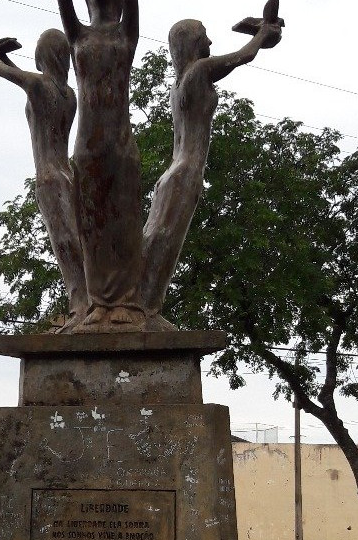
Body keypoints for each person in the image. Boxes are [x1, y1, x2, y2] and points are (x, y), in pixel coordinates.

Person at [140, 13, 283, 326]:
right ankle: (145, 309)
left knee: (155, 239)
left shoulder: (178, 84)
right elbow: (244, 55)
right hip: (187, 171)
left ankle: (143, 305)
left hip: (174, 171)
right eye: (204, 36)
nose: (210, 41)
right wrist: (262, 33)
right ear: (192, 43)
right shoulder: (200, 71)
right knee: (165, 242)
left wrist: (263, 33)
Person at [0, 20, 88, 330]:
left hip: (50, 177)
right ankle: (86, 302)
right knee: (76, 241)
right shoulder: (69, 94)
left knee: (65, 244)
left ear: (41, 58)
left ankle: (80, 305)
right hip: (69, 175)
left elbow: (6, 72)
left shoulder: (38, 86)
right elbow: (22, 76)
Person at [57, 0, 144, 330]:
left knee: (125, 223)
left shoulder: (127, 34)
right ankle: (99, 301)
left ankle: (126, 300)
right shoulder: (77, 34)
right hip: (87, 145)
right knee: (91, 227)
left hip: (120, 142)